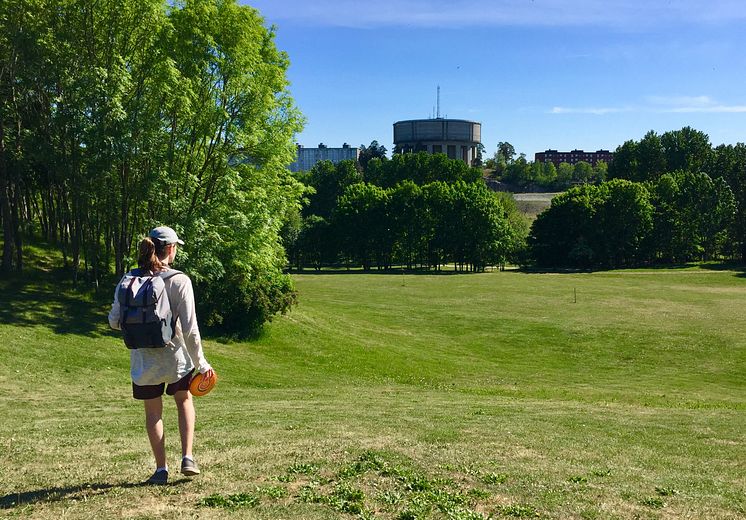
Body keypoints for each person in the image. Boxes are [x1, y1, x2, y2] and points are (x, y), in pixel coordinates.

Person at [108, 226, 214, 485]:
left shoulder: (128, 279)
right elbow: (191, 330)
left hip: (144, 361)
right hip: (176, 358)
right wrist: (201, 363)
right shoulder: (180, 280)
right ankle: (187, 457)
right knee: (183, 400)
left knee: (153, 412)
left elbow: (113, 321)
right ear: (171, 249)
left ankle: (160, 470)